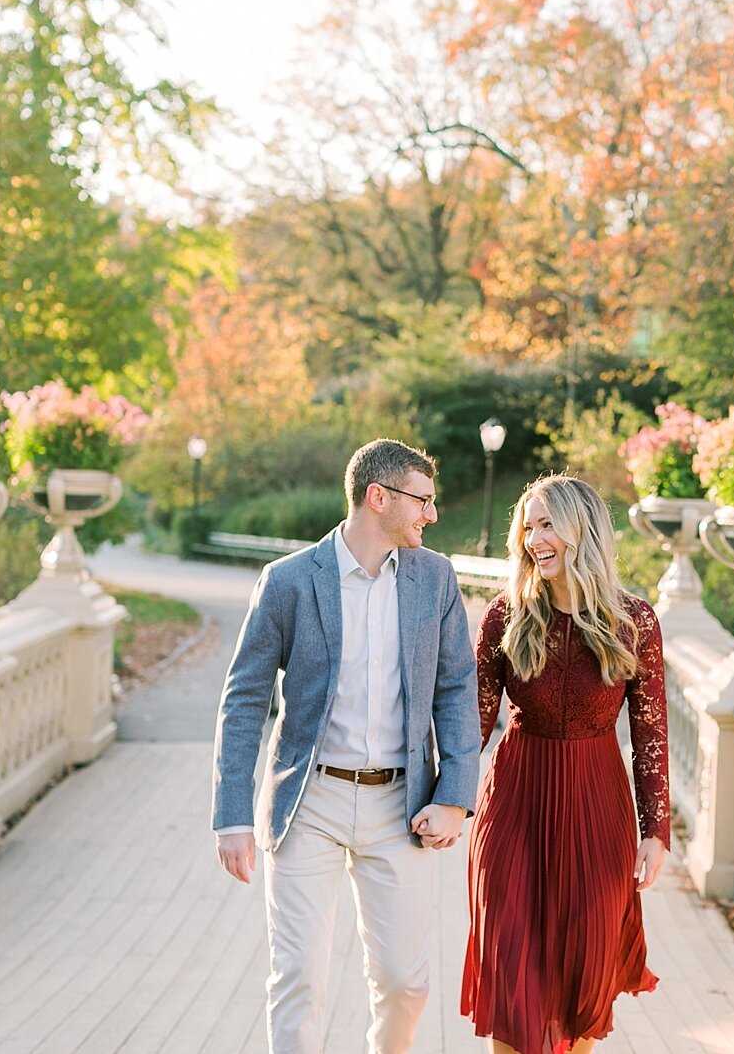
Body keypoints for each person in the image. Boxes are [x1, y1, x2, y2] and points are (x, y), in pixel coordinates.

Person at [212, 438, 481, 1054]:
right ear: (377, 497)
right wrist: (231, 814)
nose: (431, 515)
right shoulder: (287, 581)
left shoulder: (433, 578)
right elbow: (244, 698)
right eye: (423, 501)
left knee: (406, 984)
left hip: (401, 806)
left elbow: (455, 687)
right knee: (301, 976)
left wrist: (456, 794)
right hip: (310, 803)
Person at [461, 474, 670, 1054]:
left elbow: (652, 734)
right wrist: (443, 797)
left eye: (547, 524)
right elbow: (474, 724)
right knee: (512, 981)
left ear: (585, 530)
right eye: (527, 526)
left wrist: (656, 832)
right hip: (515, 809)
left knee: (583, 981)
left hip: (596, 812)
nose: (534, 539)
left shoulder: (635, 622)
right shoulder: (506, 617)